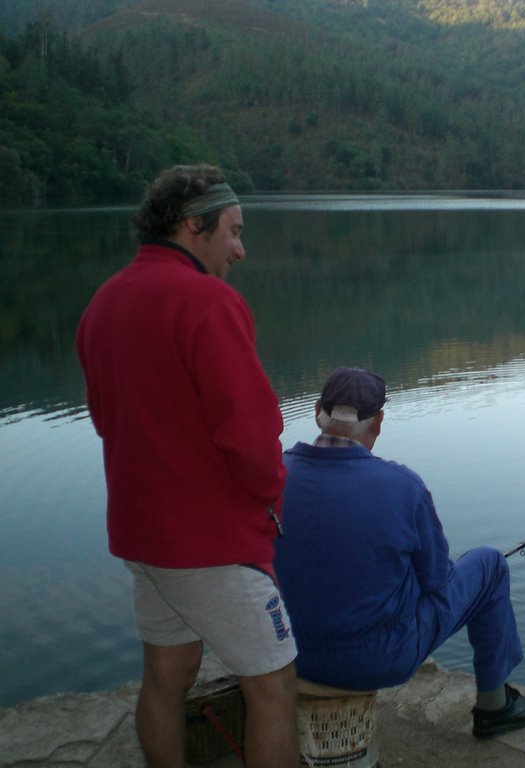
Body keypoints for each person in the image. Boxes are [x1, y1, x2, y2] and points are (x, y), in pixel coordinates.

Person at [76, 164, 299, 768]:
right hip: (211, 545)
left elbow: (105, 420)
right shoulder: (209, 302)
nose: (240, 249)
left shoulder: (104, 301)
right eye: (232, 230)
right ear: (191, 226)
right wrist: (272, 497)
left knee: (166, 677)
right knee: (274, 685)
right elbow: (252, 436)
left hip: (141, 535)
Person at [273, 366, 525, 740]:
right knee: (489, 565)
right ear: (379, 422)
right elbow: (437, 580)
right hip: (377, 660)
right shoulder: (402, 486)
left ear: (318, 410)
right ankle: (493, 705)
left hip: (284, 652)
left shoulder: (274, 477)